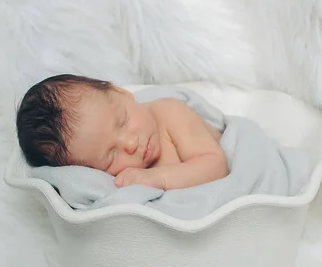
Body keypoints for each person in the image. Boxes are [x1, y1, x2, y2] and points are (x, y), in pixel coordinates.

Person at [16, 74, 229, 190]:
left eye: (122, 121)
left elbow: (216, 165)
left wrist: (160, 178)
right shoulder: (124, 179)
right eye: (111, 156)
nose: (129, 144)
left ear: (122, 92)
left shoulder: (171, 114)